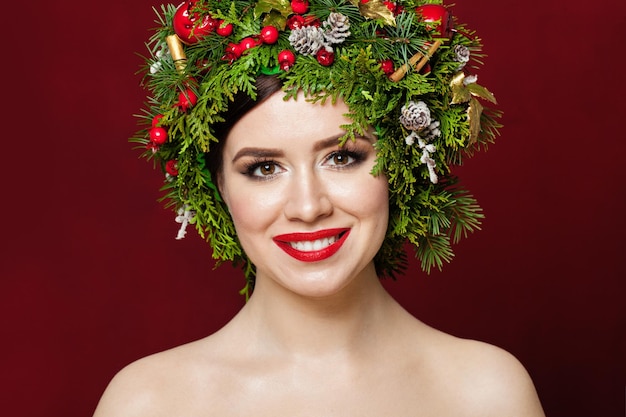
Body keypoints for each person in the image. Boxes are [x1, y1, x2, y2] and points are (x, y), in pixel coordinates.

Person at [95, 1, 545, 415]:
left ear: (397, 163)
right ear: (218, 188)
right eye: (264, 168)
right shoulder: (148, 404)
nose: (308, 208)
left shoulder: (487, 393)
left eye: (342, 157)